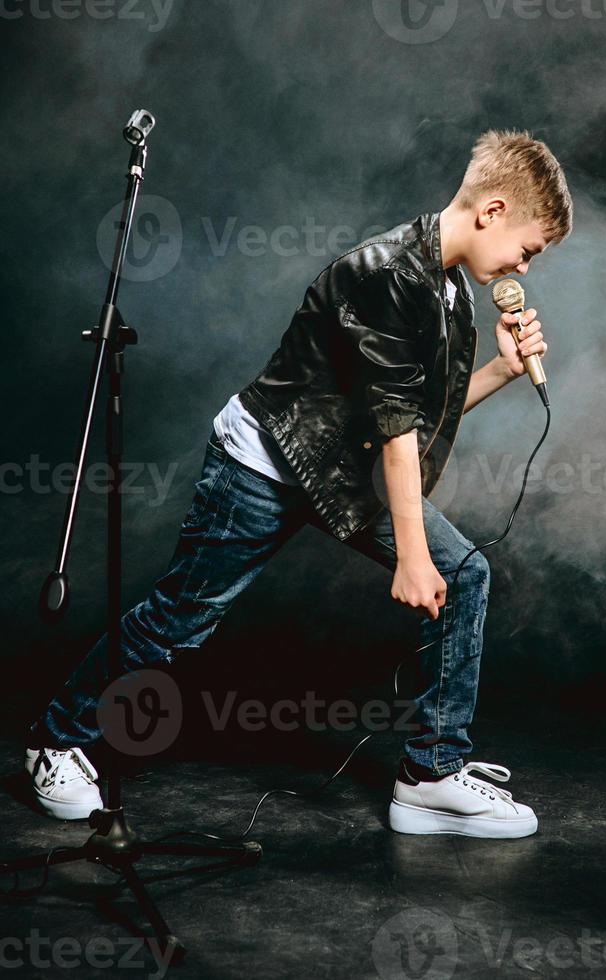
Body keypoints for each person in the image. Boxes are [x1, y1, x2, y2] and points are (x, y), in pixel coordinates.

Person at [24, 128, 572, 837]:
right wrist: (409, 555)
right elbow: (398, 434)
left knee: (464, 572)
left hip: (339, 471)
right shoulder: (385, 276)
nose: (524, 269)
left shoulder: (448, 290)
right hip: (263, 463)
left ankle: (430, 775)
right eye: (527, 250)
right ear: (492, 211)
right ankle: (54, 738)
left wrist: (499, 369)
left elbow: (416, 415)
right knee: (179, 623)